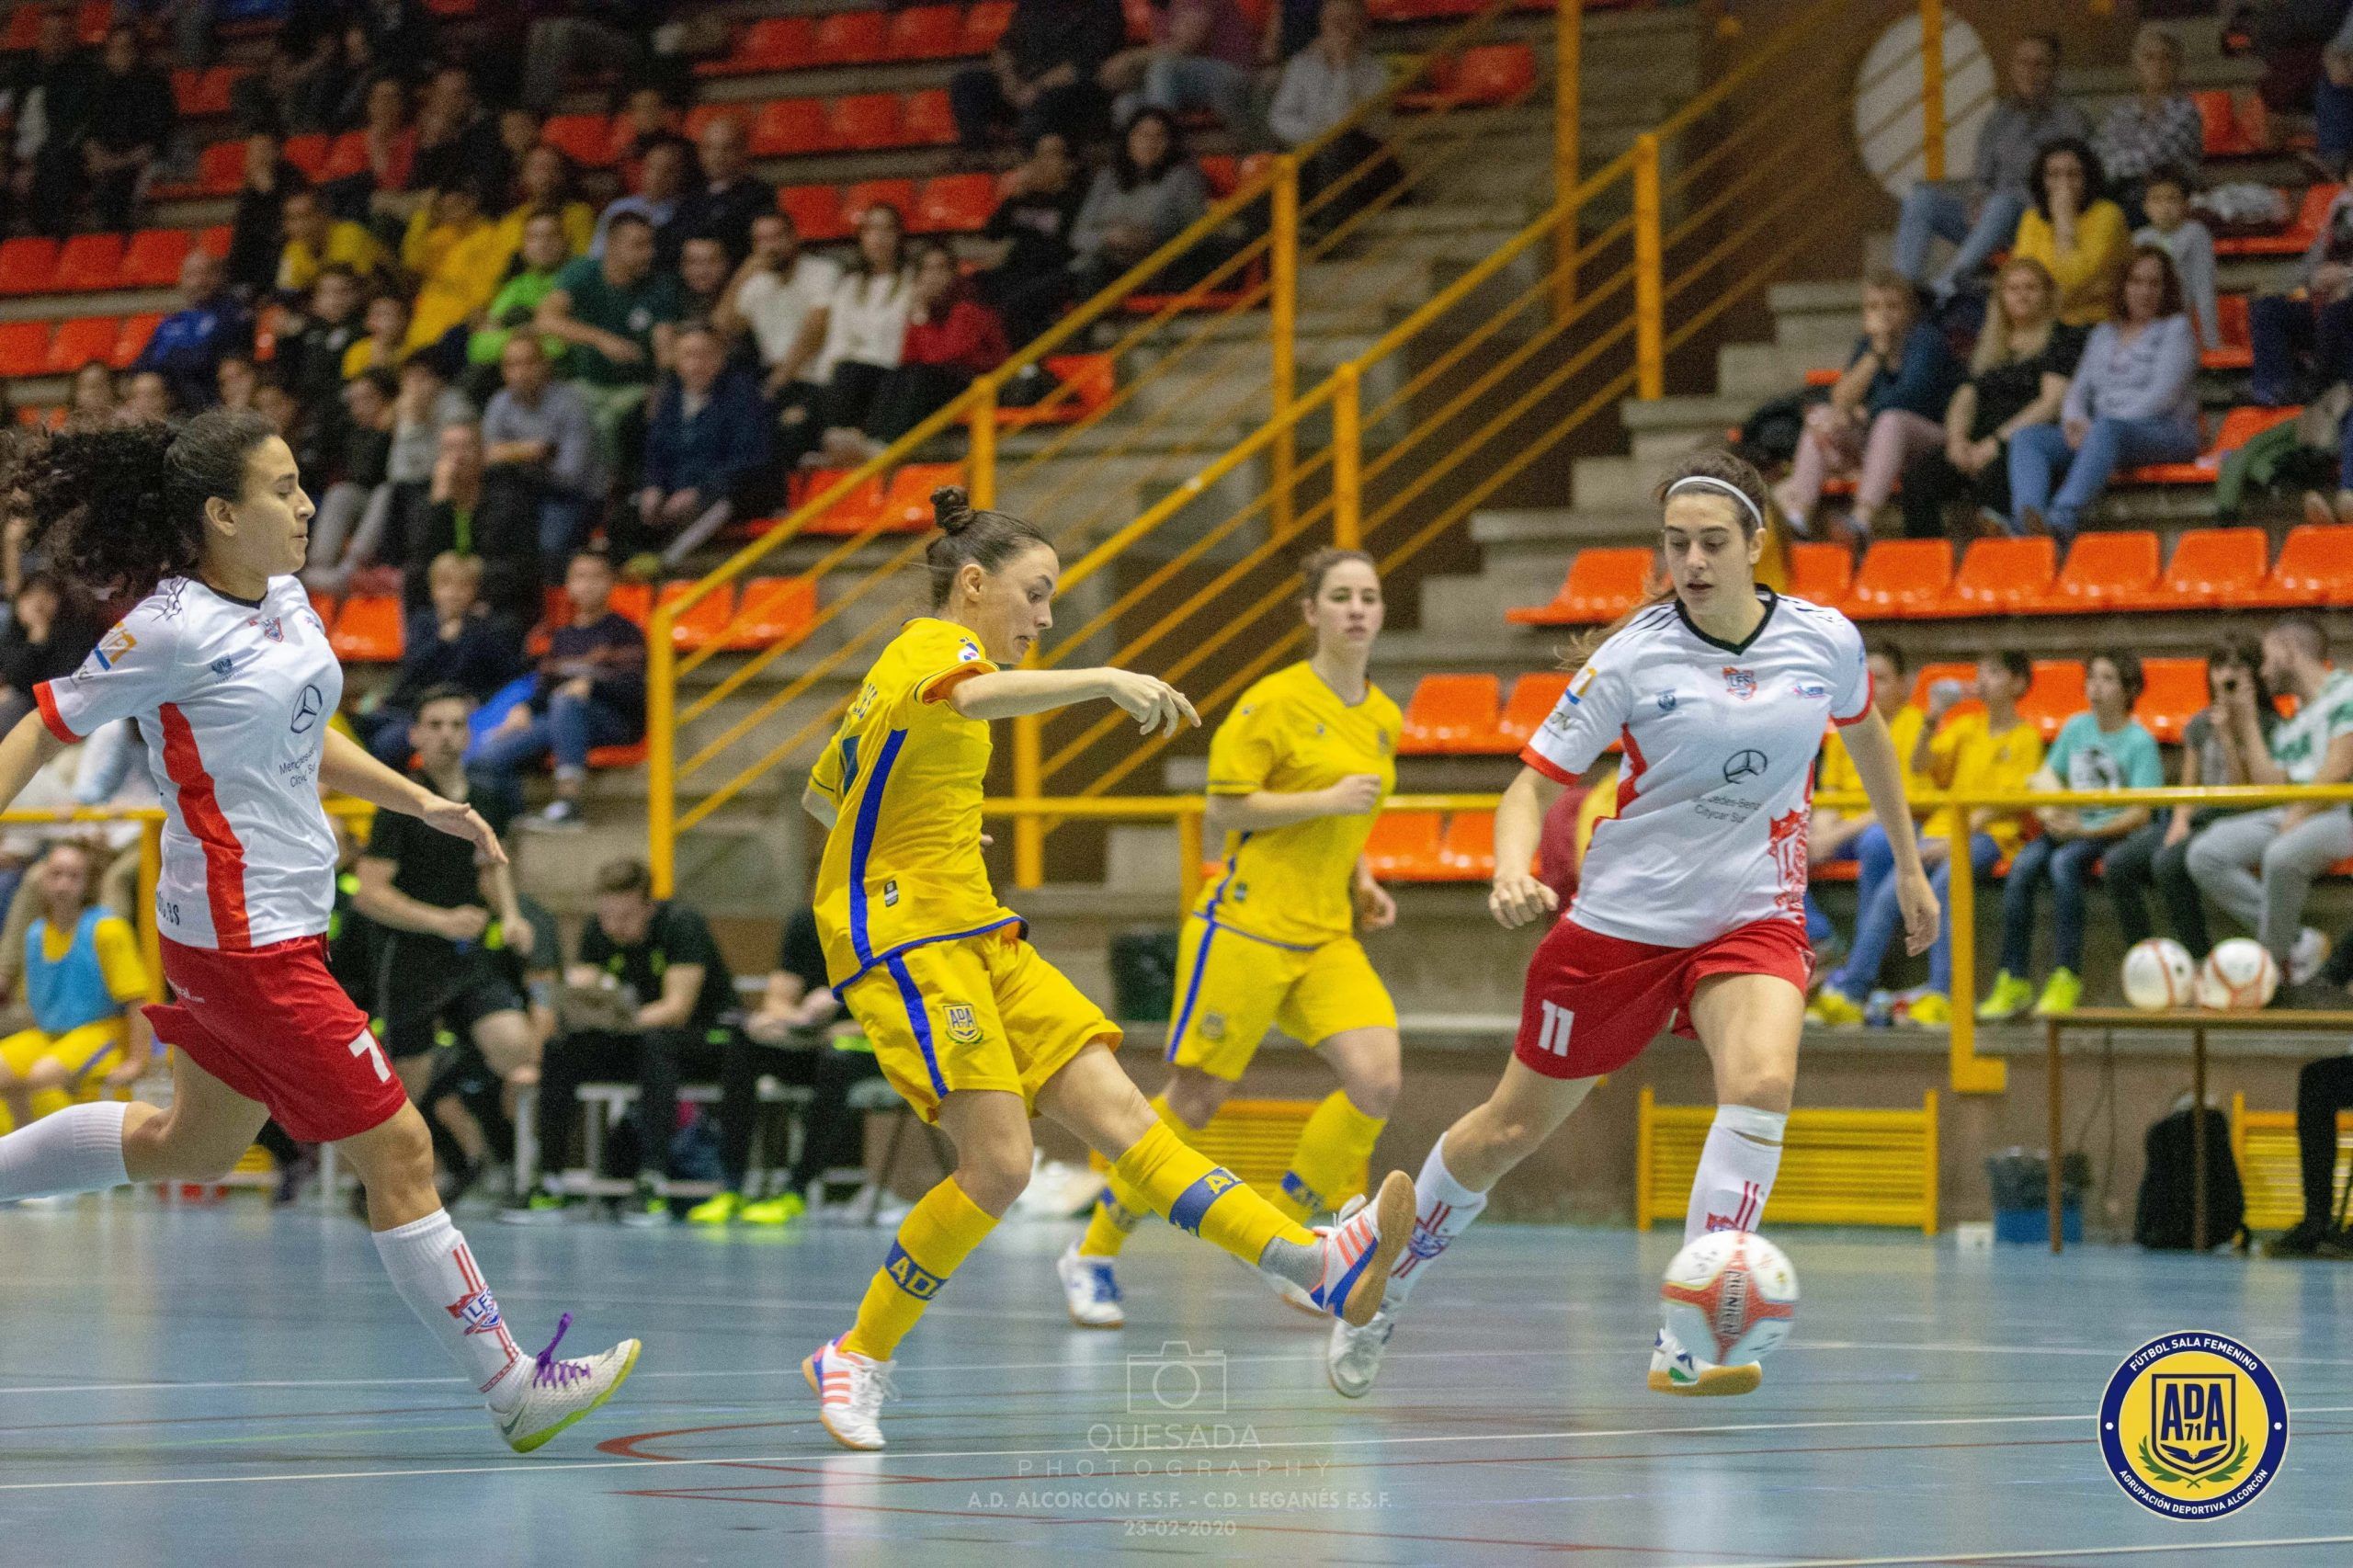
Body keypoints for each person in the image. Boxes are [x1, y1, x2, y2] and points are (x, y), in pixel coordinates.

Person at [0, 412, 637, 1450]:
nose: (306, 507)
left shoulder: (287, 596)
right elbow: (44, 721)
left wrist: (416, 799)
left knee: (187, 1140)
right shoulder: (165, 627)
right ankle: (512, 1383)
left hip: (281, 915)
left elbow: (306, 729)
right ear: (219, 514)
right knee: (401, 1146)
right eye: (284, 489)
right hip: (243, 935)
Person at [797, 484, 1412, 1449]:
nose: (1044, 617)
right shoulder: (929, 650)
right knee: (998, 1165)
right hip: (911, 943)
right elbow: (973, 693)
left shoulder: (912, 678)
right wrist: (1103, 677)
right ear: (971, 584)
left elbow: (825, 792)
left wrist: (927, 834)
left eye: (1053, 601)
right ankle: (857, 1353)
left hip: (981, 929)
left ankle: (1309, 1262)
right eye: (1034, 595)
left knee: (1129, 1117)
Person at [1324, 450, 1938, 1401]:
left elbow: (1868, 740)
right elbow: (1529, 787)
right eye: (1675, 543)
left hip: (1752, 916)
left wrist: (1905, 863)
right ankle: (1387, 1274)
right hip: (1620, 926)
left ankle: (1689, 1331)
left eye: (1711, 542)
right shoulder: (1632, 656)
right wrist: (1508, 867)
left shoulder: (1824, 639)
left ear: (1756, 544)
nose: (1690, 560)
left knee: (1764, 1079)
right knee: (1505, 1131)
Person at [1063, 547, 1404, 1324]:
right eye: (1341, 596)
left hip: (1325, 936)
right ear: (1311, 613)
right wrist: (1321, 798)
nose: (1357, 609)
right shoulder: (1272, 702)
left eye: (1370, 597)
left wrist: (1363, 880)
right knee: (1197, 1099)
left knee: (1376, 1080)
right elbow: (1225, 811)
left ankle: (1294, 1250)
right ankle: (1093, 1253)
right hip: (1244, 927)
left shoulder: (1384, 716)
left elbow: (1352, 823)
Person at [352, 685, 540, 1200]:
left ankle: (522, 1175)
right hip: (409, 958)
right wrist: (440, 921)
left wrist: (513, 915)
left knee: (517, 1048)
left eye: (457, 725)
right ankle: (385, 1181)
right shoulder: (401, 803)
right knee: (404, 1087)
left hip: (470, 957)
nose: (446, 735)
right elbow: (369, 894)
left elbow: (491, 864)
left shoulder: (488, 795)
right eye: (435, 725)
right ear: (415, 734)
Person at [507, 857, 741, 1226]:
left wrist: (615, 1018)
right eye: (606, 916)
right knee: (561, 1049)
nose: (613, 926)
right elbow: (584, 998)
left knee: (656, 1041)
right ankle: (549, 1181)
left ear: (648, 907)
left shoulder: (682, 925)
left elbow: (676, 1010)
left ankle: (652, 1180)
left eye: (625, 917)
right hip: (639, 1040)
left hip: (704, 1042)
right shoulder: (598, 932)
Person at [1813, 653, 2040, 1028]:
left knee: (1944, 882)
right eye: (1981, 671)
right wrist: (1933, 717)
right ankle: (1852, 991)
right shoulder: (1966, 728)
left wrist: (1955, 841)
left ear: (2018, 684)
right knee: (1894, 890)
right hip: (1942, 832)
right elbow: (1921, 765)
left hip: (1988, 838)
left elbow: (2004, 806)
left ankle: (1943, 994)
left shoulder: (2026, 737)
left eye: (1996, 673)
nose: (1984, 679)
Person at [1981, 650, 2162, 1019]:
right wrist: (2052, 814)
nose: (2096, 687)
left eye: (2108, 678)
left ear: (2129, 690)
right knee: (2023, 866)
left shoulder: (2140, 742)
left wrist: (2084, 828)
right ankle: (2013, 977)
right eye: (2092, 677)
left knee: (2064, 865)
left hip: (2109, 830)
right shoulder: (2077, 728)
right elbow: (2047, 777)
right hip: (2073, 827)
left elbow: (2142, 813)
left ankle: (2067, 974)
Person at [685, 905, 892, 1228]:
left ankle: (797, 1189)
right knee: (743, 1046)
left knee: (836, 1060)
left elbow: (895, 1016)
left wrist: (837, 1016)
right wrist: (794, 1022)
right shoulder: (808, 922)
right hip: (812, 1041)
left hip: (871, 1050)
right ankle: (732, 1184)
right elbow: (777, 999)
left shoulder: (890, 925)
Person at [2186, 617, 2353, 988]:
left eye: (2265, 657)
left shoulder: (2347, 689)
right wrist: (2245, 722)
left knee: (2281, 855)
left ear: (2288, 652)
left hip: (2342, 811)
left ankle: (2267, 967)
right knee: (2205, 853)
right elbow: (2270, 785)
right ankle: (2296, 942)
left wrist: (2300, 811)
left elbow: (2342, 763)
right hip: (2297, 809)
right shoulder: (2292, 722)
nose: (2260, 670)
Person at [2006, 246, 2200, 540]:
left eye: (2153, 283)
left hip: (2165, 431)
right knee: (2027, 438)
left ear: (2166, 288)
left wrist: (2097, 427)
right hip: (2103, 433)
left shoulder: (2177, 329)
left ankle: (2061, 520)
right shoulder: (2103, 333)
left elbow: (2163, 396)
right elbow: (2077, 389)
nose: (2144, 291)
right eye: (2135, 282)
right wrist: (2074, 420)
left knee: (2108, 429)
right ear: (2122, 287)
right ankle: (2027, 522)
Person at [2106, 636, 2272, 963]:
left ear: (2254, 674)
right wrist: (2179, 821)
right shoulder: (2199, 723)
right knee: (2118, 863)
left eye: (2237, 667)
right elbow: (2188, 781)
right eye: (2220, 666)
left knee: (2167, 864)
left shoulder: (2265, 724)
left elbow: (2241, 793)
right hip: (2197, 817)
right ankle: (2144, 958)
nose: (2227, 675)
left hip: (2237, 819)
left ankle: (2198, 958)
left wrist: (2227, 735)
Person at [1893, 33, 2089, 301]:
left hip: (2035, 222)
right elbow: (1982, 178)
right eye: (2023, 63)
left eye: (2040, 64)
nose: (2030, 72)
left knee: (2003, 203)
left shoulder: (2071, 120)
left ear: (2054, 70)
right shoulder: (2000, 117)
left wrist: (1997, 202)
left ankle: (1943, 289)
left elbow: (2075, 184)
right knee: (1921, 199)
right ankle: (1899, 295)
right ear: (2013, 68)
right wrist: (1977, 201)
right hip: (1990, 221)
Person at [1899, 257, 2083, 540]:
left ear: (2047, 294)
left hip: (2024, 440)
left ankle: (1994, 562)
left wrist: (1995, 443)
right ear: (2001, 297)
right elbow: (1965, 396)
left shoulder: (2062, 339)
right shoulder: (1989, 344)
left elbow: (2050, 403)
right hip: (1978, 441)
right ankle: (1930, 560)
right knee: (1918, 480)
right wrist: (1957, 441)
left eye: (2031, 288)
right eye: (2013, 288)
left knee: (1994, 477)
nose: (2022, 294)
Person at [1770, 272, 1961, 540]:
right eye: (1874, 307)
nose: (1883, 315)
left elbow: (1912, 397)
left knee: (1890, 420)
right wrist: (1875, 354)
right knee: (1821, 418)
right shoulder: (1868, 345)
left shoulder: (1927, 342)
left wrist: (1860, 415)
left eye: (1892, 306)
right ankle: (1797, 517)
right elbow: (1840, 399)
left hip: (1931, 438)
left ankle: (1861, 521)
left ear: (1909, 310)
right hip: (1878, 442)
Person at [471, 550, 645, 830]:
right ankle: (513, 824)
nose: (587, 584)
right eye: (580, 577)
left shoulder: (627, 632)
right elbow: (544, 689)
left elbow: (637, 691)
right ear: (569, 585)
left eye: (596, 576)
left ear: (611, 582)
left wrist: (593, 685)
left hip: (611, 721)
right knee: (487, 754)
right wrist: (524, 709)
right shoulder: (562, 636)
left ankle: (569, 803)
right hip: (560, 719)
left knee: (565, 701)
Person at [0, 841, 151, 1134]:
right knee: (5, 1071)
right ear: (42, 880)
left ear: (87, 882)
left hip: (106, 1032)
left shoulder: (106, 929)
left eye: (72, 876)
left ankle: (68, 1165)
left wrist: (137, 1061)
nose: (62, 885)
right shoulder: (35, 934)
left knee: (42, 1076)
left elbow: (138, 1000)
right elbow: (38, 1005)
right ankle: (21, 1157)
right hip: (52, 1035)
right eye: (55, 875)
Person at [1803, 642, 1927, 971]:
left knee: (1877, 842)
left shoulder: (1918, 726)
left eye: (1882, 678)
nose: (1872, 685)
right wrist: (1821, 831)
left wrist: (1833, 836)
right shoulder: (1846, 725)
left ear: (1905, 683)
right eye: (1866, 677)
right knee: (1779, 841)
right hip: (1845, 829)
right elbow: (1829, 791)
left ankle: (1862, 963)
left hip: (1896, 828)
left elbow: (1901, 803)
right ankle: (1820, 938)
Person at [535, 210, 681, 463]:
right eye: (638, 245)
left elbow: (665, 350)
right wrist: (601, 339)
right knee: (556, 415)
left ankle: (608, 492)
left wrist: (662, 387)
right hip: (584, 384)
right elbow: (546, 319)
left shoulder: (660, 287)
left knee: (606, 424)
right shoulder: (583, 272)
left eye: (650, 245)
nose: (649, 253)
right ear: (612, 245)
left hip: (634, 389)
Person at [363, 551, 526, 766]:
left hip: (449, 716)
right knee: (362, 725)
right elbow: (411, 671)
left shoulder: (486, 630)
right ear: (433, 589)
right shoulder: (423, 622)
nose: (453, 593)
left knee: (389, 742)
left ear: (475, 590)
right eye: (446, 584)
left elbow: (505, 678)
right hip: (411, 706)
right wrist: (441, 641)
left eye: (463, 586)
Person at [634, 324, 772, 569]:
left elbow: (748, 459)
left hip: (729, 489)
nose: (697, 364)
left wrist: (697, 490)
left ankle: (667, 562)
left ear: (720, 358)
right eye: (688, 355)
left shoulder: (743, 395)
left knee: (720, 500)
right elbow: (656, 452)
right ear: (676, 360)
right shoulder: (668, 398)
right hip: (677, 489)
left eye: (705, 354)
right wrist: (653, 485)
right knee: (630, 509)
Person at [715, 210, 841, 468]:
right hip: (773, 381)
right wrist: (742, 275)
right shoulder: (755, 283)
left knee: (785, 432)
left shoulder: (822, 271)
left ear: (794, 238)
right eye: (761, 240)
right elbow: (720, 330)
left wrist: (778, 381)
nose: (769, 247)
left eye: (776, 237)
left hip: (816, 379)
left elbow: (815, 331)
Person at [481, 332, 604, 575]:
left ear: (545, 366)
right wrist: (530, 451)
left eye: (529, 363)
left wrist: (512, 455)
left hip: (571, 496)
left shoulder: (571, 404)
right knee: (493, 540)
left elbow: (571, 475)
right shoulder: (499, 403)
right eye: (513, 365)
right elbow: (485, 457)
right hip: (520, 492)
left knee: (547, 550)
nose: (521, 372)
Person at [1269, 0, 1396, 228]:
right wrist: (1315, 136)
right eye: (1332, 21)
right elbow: (1279, 118)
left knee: (1339, 147)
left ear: (1360, 25)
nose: (1339, 28)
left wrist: (1341, 68)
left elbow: (1342, 123)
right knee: (1276, 171)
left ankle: (1330, 234)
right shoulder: (1302, 65)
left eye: (1346, 21)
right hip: (1317, 149)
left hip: (1367, 161)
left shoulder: (1375, 72)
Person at [1070, 108, 1211, 297]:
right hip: (1103, 260)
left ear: (1170, 143)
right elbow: (1078, 235)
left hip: (1156, 267)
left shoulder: (1183, 178)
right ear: (1129, 139)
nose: (1150, 143)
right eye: (1143, 135)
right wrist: (1109, 236)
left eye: (1159, 136)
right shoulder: (1108, 178)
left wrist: (1151, 239)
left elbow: (1198, 232)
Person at [949, 0, 1122, 153]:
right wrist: (1009, 81)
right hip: (1023, 83)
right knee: (967, 84)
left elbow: (1089, 62)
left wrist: (1037, 88)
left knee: (1049, 102)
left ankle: (1040, 157)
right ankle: (980, 153)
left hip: (1070, 89)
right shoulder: (1034, 4)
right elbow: (1006, 46)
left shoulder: (1104, 6)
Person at [812, 205, 913, 467]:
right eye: (870, 230)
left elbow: (900, 341)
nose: (878, 238)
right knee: (836, 373)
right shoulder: (849, 285)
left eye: (886, 229)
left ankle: (862, 443)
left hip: (891, 372)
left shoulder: (912, 282)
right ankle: (837, 440)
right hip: (854, 375)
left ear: (899, 235)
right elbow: (838, 341)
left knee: (852, 370)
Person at [975, 132, 1087, 347]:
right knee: (970, 291)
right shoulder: (1024, 198)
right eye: (1040, 155)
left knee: (1012, 307)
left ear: (1069, 163)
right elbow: (992, 233)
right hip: (1017, 270)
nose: (1043, 162)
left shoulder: (1076, 200)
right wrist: (1013, 197)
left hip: (1055, 272)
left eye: (1053, 154)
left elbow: (1069, 246)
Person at [2248, 177, 2353, 407]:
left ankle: (2318, 387)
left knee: (2337, 311)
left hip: (2344, 313)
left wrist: (2346, 277)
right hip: (2323, 302)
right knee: (2269, 307)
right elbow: (2308, 268)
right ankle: (2273, 388)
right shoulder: (2340, 215)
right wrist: (2289, 285)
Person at [2009, 140, 2132, 330]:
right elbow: (2022, 279)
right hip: (2038, 324)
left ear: (2088, 178)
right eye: (2054, 175)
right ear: (2042, 180)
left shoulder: (2108, 215)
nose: (2064, 184)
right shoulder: (2032, 218)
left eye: (2073, 174)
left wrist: (2064, 221)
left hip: (2093, 325)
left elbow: (2072, 283)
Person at [1103, 0, 1258, 139]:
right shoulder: (1159, 6)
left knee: (1163, 69)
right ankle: (1134, 161)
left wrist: (1130, 59)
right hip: (1186, 80)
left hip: (1232, 72)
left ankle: (1165, 146)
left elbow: (1185, 46)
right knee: (1126, 103)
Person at [2093, 26, 2203, 219]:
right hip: (2118, 193)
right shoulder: (2121, 112)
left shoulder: (2186, 112)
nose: (2158, 65)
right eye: (2149, 58)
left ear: (2178, 66)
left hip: (2167, 201)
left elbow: (2154, 157)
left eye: (2166, 58)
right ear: (2137, 66)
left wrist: (2118, 164)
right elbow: (2099, 155)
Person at [133, 249, 256, 415]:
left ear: (218, 276)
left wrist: (171, 361)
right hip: (172, 402)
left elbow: (206, 360)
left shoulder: (232, 313)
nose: (199, 282)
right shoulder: (171, 322)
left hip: (212, 401)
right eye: (191, 275)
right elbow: (142, 365)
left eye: (205, 273)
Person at [79, 25, 173, 233]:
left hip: (137, 162)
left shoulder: (155, 85)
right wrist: (95, 154)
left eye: (126, 48)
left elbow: (156, 141)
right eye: (114, 49)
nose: (120, 55)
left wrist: (117, 163)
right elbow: (87, 131)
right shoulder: (97, 86)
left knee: (114, 187)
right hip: (102, 161)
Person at [467, 210, 578, 375]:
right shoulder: (515, 287)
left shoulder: (579, 280)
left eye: (551, 236)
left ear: (565, 242)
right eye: (534, 237)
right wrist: (530, 333)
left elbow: (563, 347)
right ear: (523, 247)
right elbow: (478, 348)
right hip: (516, 376)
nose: (542, 244)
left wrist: (509, 339)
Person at [2133, 168, 2221, 354]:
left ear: (2186, 203)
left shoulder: (2196, 234)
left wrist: (2211, 342)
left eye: (2172, 199)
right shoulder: (2139, 239)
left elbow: (2204, 290)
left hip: (2180, 326)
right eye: (2156, 200)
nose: (2165, 208)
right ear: (2145, 206)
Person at [669, 113, 773, 262]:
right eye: (709, 148)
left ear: (742, 151)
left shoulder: (758, 195)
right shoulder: (689, 195)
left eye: (726, 148)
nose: (717, 156)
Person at [277, 187, 394, 300]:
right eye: (292, 219)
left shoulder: (349, 234)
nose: (299, 226)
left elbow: (366, 286)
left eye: (306, 217)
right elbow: (287, 292)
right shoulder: (293, 248)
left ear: (324, 215)